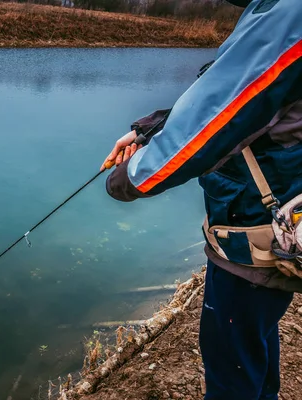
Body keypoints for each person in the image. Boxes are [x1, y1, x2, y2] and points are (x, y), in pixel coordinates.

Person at [103, 1, 302, 399]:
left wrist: (128, 179)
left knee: (232, 362)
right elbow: (242, 95)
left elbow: (218, 117)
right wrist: (152, 128)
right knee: (253, 339)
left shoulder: (291, 14)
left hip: (253, 226)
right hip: (279, 218)